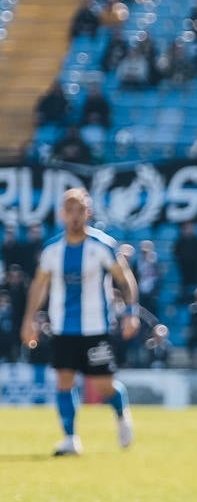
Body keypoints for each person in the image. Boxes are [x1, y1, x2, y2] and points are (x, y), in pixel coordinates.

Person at [19, 189, 138, 456]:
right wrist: (28, 320)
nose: (74, 217)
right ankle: (70, 439)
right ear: (62, 214)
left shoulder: (102, 245)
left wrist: (131, 312)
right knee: (64, 380)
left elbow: (125, 278)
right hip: (63, 328)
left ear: (88, 213)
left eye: (79, 211)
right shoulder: (52, 250)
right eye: (69, 211)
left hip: (96, 328)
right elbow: (39, 286)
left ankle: (121, 412)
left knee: (102, 385)